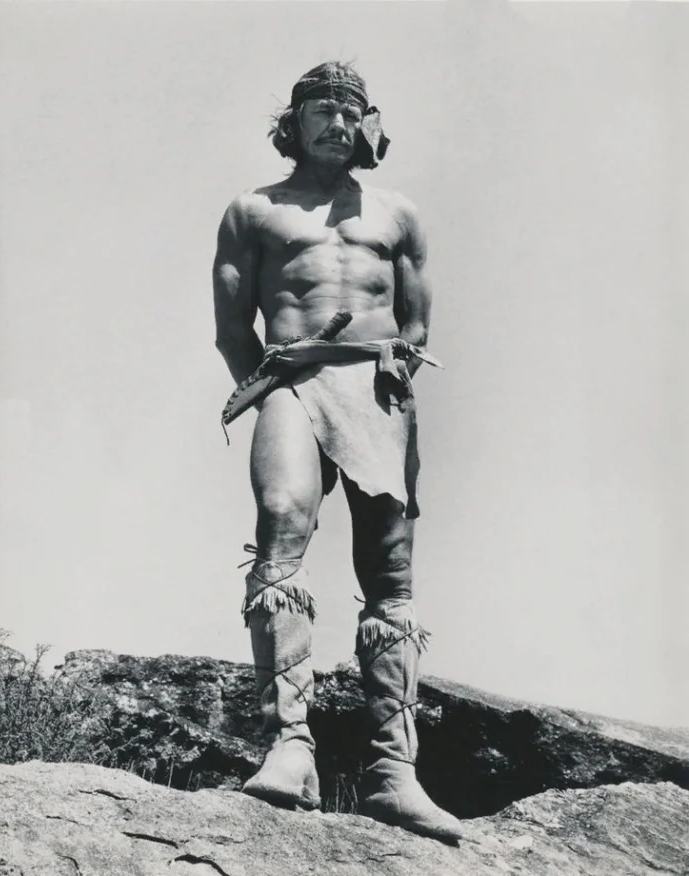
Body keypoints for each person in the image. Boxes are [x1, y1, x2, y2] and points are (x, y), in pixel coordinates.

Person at [212, 61, 463, 845]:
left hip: (375, 385)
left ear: (368, 125)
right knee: (281, 521)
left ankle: (393, 772)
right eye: (320, 110)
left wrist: (394, 370)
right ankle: (290, 747)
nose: (335, 123)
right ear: (293, 123)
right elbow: (231, 327)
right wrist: (270, 384)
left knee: (390, 567)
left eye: (348, 112)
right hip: (290, 378)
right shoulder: (254, 210)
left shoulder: (397, 214)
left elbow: (416, 325)